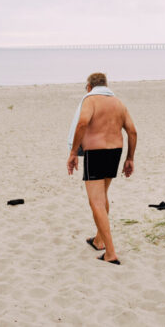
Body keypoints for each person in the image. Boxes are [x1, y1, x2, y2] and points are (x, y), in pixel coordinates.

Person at [67, 72, 137, 265]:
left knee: (96, 202)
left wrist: (73, 152)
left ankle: (111, 253)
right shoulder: (118, 103)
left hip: (96, 153)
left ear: (89, 87)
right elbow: (132, 131)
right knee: (103, 196)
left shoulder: (90, 100)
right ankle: (99, 240)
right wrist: (130, 158)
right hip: (115, 152)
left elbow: (82, 123)